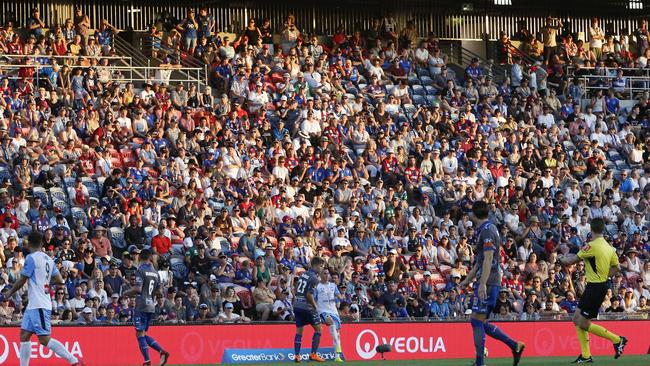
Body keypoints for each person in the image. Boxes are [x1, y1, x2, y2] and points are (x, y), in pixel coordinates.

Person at [2, 231, 83, 366]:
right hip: (35, 304)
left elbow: (22, 280)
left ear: (29, 242)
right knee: (24, 335)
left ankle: (74, 361)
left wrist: (9, 292)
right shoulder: (48, 259)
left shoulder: (31, 258)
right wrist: (45, 282)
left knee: (44, 339)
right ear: (41, 243)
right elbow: (58, 279)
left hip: (39, 304)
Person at [459, 201, 525, 366]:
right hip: (488, 280)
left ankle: (480, 363)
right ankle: (514, 345)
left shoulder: (487, 231)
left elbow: (488, 259)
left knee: (476, 321)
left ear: (474, 214)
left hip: (488, 282)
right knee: (480, 321)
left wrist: (482, 284)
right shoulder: (488, 229)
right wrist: (467, 280)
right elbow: (480, 261)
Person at [559, 217, 628, 363]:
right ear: (603, 230)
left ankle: (617, 339)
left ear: (591, 230)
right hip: (599, 286)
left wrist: (561, 258)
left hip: (595, 287)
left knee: (582, 322)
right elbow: (617, 268)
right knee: (577, 319)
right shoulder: (610, 248)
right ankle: (585, 355)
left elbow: (570, 261)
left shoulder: (590, 246)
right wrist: (604, 275)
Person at [123, 249, 171, 366]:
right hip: (151, 306)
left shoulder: (140, 270)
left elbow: (137, 289)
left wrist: (126, 293)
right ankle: (162, 352)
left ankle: (147, 361)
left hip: (141, 305)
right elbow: (160, 293)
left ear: (140, 257)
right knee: (143, 334)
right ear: (150, 258)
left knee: (139, 334)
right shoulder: (155, 272)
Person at [293, 256, 326, 363]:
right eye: (321, 266)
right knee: (318, 329)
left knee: (299, 331)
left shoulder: (303, 274)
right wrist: (315, 307)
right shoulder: (315, 279)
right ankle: (313, 354)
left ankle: (297, 356)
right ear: (315, 265)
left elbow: (296, 287)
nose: (322, 269)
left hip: (297, 305)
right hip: (307, 307)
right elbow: (309, 295)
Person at [315, 269, 343, 362]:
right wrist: (315, 310)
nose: (327, 275)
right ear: (320, 274)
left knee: (337, 334)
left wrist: (340, 298)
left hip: (334, 311)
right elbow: (313, 299)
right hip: (323, 310)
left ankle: (337, 357)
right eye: (325, 273)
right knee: (330, 322)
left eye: (328, 274)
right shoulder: (317, 286)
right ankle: (338, 350)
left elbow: (339, 296)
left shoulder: (333, 285)